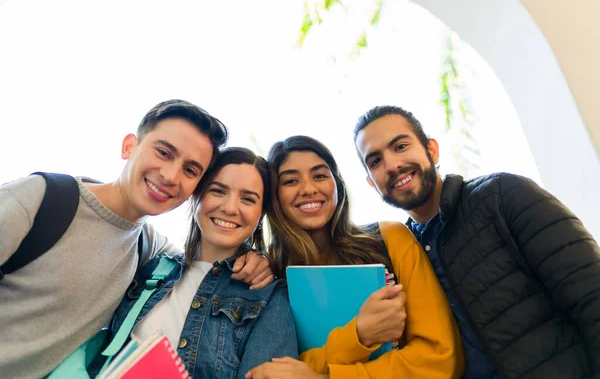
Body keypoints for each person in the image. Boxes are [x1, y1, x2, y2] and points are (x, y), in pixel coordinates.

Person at [0, 100, 273, 379]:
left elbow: (202, 263)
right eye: (164, 152)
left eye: (190, 170)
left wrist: (257, 258)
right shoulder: (39, 200)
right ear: (129, 146)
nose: (170, 176)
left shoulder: (147, 247)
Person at [352, 105, 600, 379]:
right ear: (370, 182)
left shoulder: (502, 195)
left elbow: (591, 294)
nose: (392, 165)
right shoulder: (399, 256)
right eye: (375, 161)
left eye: (400, 146)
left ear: (432, 150)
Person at [247, 135, 464, 379]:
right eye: (290, 181)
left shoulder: (389, 238)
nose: (308, 189)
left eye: (319, 175)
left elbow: (441, 359)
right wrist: (359, 335)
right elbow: (269, 370)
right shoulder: (269, 272)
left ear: (337, 184)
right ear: (274, 197)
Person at [107, 147, 298, 378]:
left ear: (261, 216)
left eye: (247, 199)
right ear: (196, 195)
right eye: (218, 191)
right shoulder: (151, 267)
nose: (230, 208)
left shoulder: (271, 297)